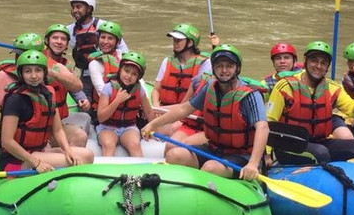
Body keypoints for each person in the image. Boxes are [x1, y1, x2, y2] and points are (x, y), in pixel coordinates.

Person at [141, 45, 269, 181]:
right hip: (214, 149)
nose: (224, 70)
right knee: (174, 155)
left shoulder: (250, 95)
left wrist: (253, 164)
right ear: (213, 68)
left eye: (229, 66)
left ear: (237, 68)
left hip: (241, 155)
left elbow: (263, 127)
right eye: (219, 66)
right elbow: (184, 109)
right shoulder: (209, 88)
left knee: (210, 168)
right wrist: (153, 124)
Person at [264, 41, 354, 164]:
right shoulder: (284, 86)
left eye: (323, 63)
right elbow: (269, 121)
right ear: (305, 61)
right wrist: (267, 154)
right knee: (320, 152)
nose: (318, 66)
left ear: (327, 67)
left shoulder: (333, 88)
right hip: (290, 145)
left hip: (319, 141)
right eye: (314, 61)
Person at [0, 50, 93, 172]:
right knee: (83, 159)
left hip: (38, 152)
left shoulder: (48, 93)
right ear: (21, 74)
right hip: (16, 159)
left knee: (88, 155)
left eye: (38, 70)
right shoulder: (15, 99)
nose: (34, 76)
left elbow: (58, 130)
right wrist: (36, 163)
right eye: (28, 71)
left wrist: (68, 150)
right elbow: (7, 141)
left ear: (44, 72)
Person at [151, 23, 209, 139]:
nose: (175, 43)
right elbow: (156, 89)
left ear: (190, 43)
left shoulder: (205, 64)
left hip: (186, 114)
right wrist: (156, 106)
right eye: (174, 40)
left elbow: (192, 101)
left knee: (170, 128)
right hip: (164, 109)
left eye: (179, 40)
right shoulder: (167, 61)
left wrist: (161, 111)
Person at [67, 0, 128, 99]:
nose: (75, 10)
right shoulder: (69, 30)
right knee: (85, 104)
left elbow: (124, 52)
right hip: (86, 76)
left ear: (89, 9)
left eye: (79, 7)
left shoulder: (105, 26)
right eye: (73, 7)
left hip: (110, 72)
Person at [42, 24, 92, 145]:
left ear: (66, 44)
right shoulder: (39, 62)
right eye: (55, 38)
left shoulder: (67, 65)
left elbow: (73, 88)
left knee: (85, 117)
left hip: (60, 119)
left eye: (63, 39)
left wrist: (82, 99)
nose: (59, 42)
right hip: (42, 119)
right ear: (47, 41)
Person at [96, 52, 152, 157]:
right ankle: (107, 167)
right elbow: (101, 117)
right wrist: (117, 101)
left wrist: (153, 128)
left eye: (134, 74)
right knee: (108, 145)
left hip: (129, 127)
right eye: (126, 71)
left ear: (138, 77)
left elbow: (149, 112)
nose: (129, 76)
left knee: (134, 144)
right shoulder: (108, 88)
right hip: (107, 127)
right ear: (120, 70)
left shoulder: (139, 90)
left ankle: (139, 167)